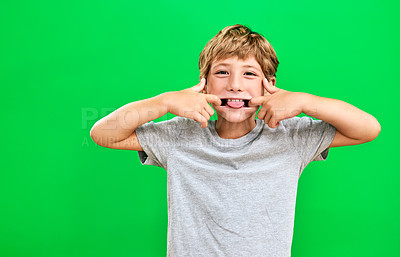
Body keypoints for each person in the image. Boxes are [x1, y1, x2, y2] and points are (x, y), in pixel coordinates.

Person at [90, 24, 381, 257]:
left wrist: (305, 101)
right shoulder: (179, 135)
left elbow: (368, 128)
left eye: (249, 74)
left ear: (269, 86)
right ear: (203, 83)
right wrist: (165, 102)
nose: (235, 84)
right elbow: (103, 133)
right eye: (222, 72)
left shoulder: (290, 136)